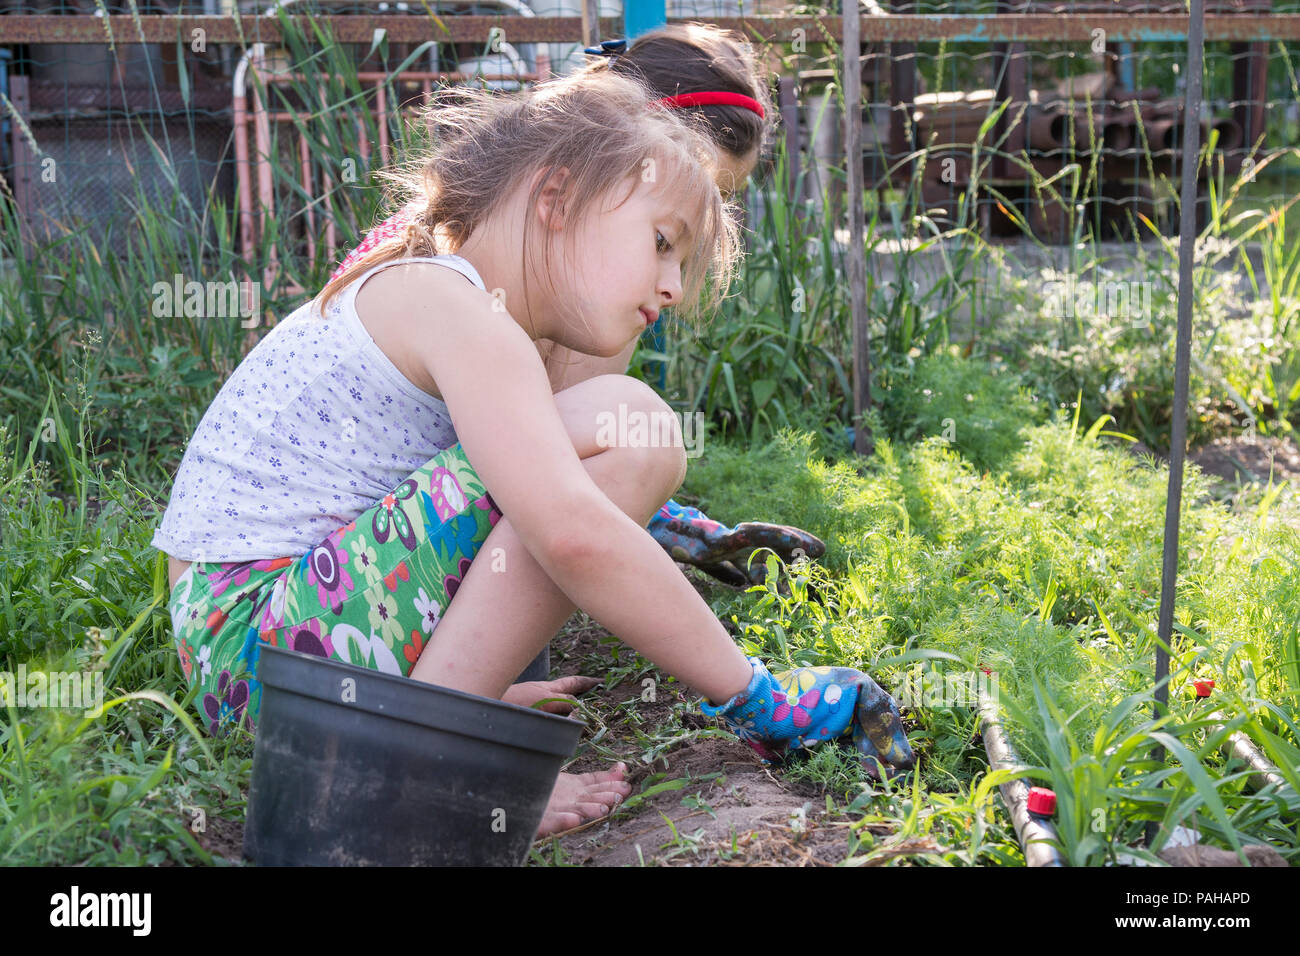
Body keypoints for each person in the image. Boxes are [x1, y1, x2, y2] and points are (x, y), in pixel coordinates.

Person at [154, 68, 912, 841]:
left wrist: (671, 526)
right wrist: (759, 698)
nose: (673, 286)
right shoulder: (459, 311)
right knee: (632, 423)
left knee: (604, 437)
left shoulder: (449, 298)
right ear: (554, 200)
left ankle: (438, 721)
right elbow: (572, 531)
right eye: (661, 244)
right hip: (266, 652)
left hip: (262, 658)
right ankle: (424, 773)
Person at [333, 23, 825, 605]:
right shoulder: (469, 277)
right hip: (358, 556)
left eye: (720, 198)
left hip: (392, 545)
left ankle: (643, 521)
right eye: (691, 189)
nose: (702, 218)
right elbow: (543, 456)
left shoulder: (502, 205)